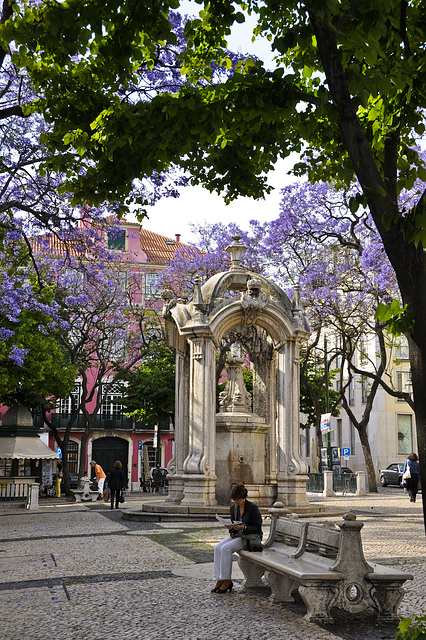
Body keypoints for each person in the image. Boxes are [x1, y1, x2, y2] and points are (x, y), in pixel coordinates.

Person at [212, 483, 262, 594]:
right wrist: (231, 527)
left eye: (238, 500)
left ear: (244, 498)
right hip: (238, 535)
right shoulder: (233, 508)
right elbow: (234, 527)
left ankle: (227, 580)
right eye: (234, 500)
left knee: (226, 548)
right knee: (218, 547)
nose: (236, 502)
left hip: (249, 537)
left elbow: (257, 528)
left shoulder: (252, 508)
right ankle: (219, 578)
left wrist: (243, 527)